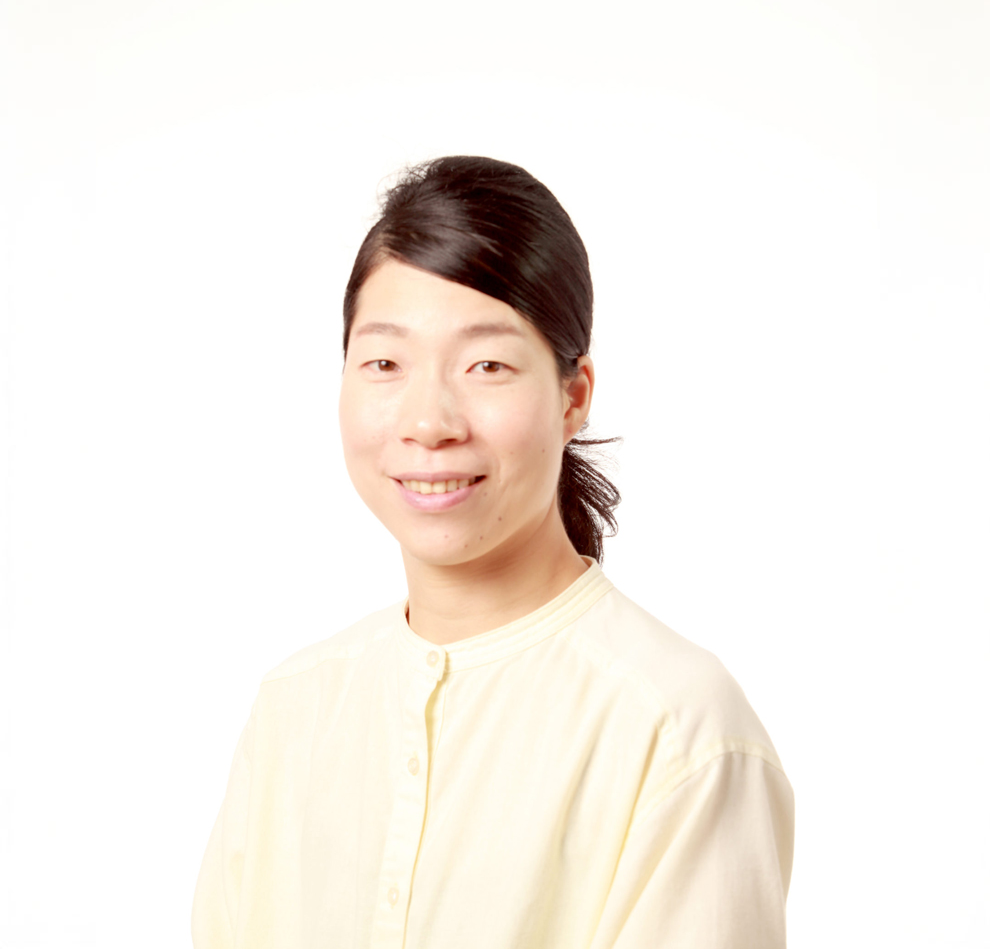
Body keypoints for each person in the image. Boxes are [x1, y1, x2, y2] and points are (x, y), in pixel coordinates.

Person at [191, 155, 794, 948]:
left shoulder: (678, 730)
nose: (429, 421)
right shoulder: (293, 708)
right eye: (384, 363)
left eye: (487, 365)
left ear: (574, 396)